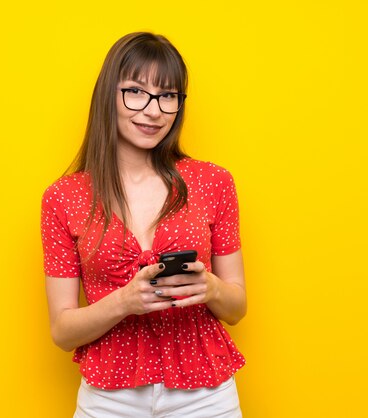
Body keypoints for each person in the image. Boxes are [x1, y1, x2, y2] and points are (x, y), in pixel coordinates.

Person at [41, 32, 246, 418]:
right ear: (109, 95)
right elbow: (62, 330)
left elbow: (237, 307)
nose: (153, 110)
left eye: (168, 96)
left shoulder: (214, 182)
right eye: (136, 91)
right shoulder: (62, 197)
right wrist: (124, 302)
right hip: (109, 398)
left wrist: (211, 286)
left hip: (206, 395)